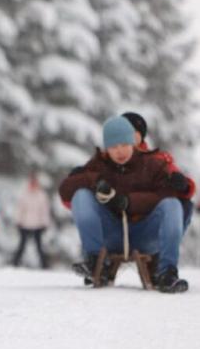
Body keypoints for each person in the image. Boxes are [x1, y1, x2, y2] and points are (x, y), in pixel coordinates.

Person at [59, 116, 189, 293]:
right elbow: (65, 190)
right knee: (81, 194)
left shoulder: (152, 163)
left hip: (144, 233)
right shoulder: (99, 164)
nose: (120, 151)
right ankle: (95, 261)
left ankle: (167, 272)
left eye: (124, 145)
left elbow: (167, 194)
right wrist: (93, 180)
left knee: (173, 204)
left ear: (134, 143)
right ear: (107, 149)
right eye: (113, 147)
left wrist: (129, 201)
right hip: (111, 233)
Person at [121, 111, 194, 232]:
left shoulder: (157, 159)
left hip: (146, 224)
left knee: (184, 204)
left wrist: (183, 185)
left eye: (133, 132)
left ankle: (166, 242)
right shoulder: (108, 158)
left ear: (141, 136)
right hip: (116, 224)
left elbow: (177, 178)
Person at [12, 172, 50, 269]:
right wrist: (18, 221)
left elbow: (44, 211)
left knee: (39, 247)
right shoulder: (24, 195)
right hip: (25, 224)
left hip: (38, 225)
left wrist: (45, 223)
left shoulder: (42, 195)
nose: (33, 185)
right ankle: (14, 264)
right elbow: (20, 209)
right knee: (22, 245)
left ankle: (44, 265)